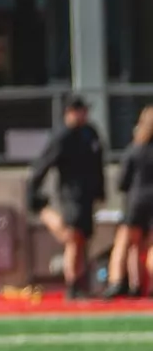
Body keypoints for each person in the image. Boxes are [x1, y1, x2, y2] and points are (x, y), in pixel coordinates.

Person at [27, 96, 106, 300]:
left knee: (82, 239)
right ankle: (73, 283)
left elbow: (98, 163)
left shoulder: (90, 133)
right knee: (73, 237)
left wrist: (100, 190)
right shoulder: (63, 136)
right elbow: (44, 163)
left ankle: (81, 280)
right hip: (70, 194)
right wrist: (33, 188)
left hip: (87, 194)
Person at [103, 105, 153, 299]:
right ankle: (144, 284)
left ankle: (117, 281)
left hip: (136, 200)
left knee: (125, 242)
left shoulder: (135, 149)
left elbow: (122, 181)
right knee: (149, 246)